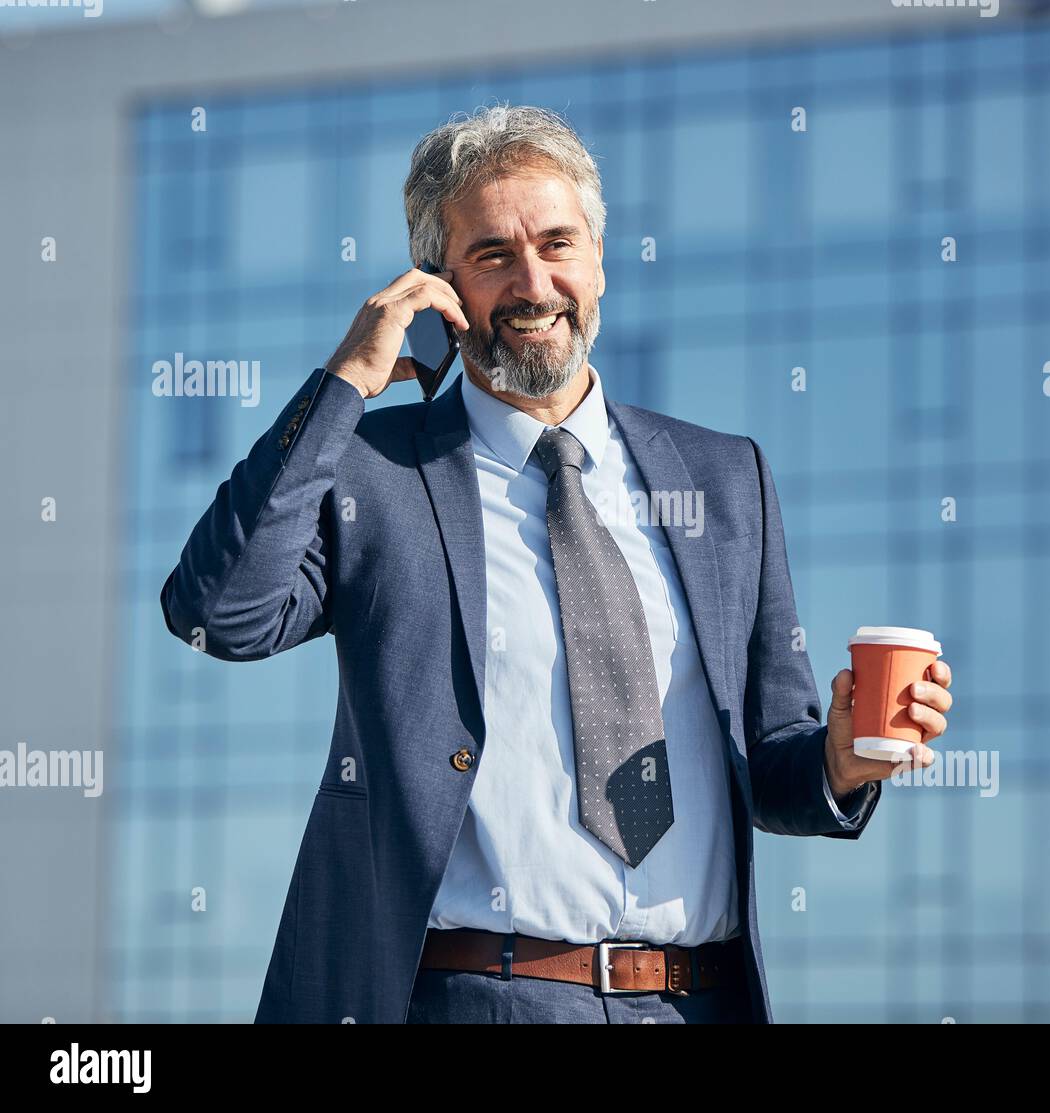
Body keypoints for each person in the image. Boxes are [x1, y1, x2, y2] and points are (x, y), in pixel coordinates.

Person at [160, 104, 954, 1024]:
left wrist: (841, 760)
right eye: (492, 254)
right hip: (473, 998)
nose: (534, 282)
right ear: (438, 285)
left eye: (557, 244)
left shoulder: (725, 478)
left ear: (600, 264)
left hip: (696, 1000)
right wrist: (345, 383)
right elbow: (218, 612)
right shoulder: (376, 472)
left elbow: (772, 763)